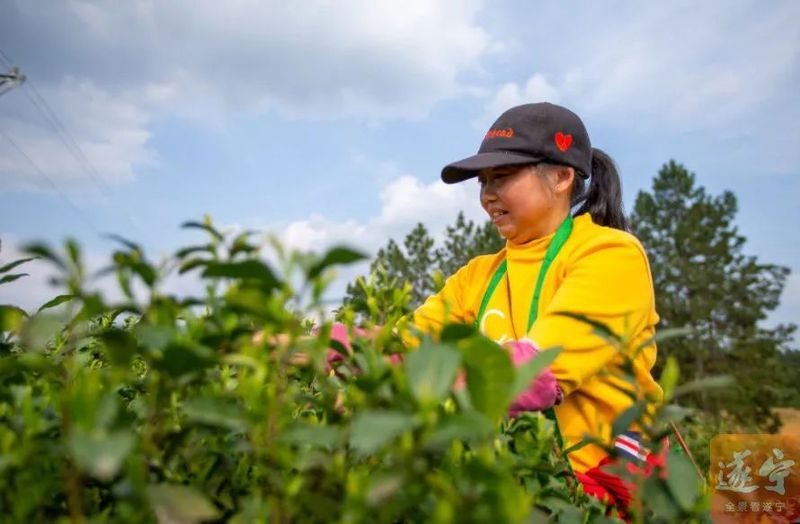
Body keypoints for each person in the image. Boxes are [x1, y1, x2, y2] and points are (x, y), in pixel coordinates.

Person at [398, 102, 665, 513]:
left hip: (606, 485)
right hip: (528, 479)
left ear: (561, 177)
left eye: (502, 176)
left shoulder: (610, 254)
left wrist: (406, 395)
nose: (488, 195)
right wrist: (333, 349)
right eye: (483, 182)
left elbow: (535, 371)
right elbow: (404, 344)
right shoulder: (480, 274)